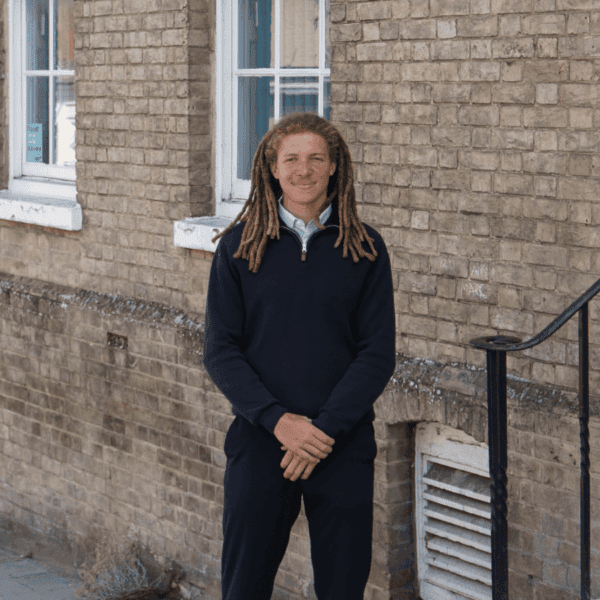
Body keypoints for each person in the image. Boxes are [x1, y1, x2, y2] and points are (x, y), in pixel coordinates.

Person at [203, 112, 396, 600]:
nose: (303, 170)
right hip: (260, 444)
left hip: (342, 445)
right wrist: (279, 422)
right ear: (273, 168)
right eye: (291, 159)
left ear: (333, 167)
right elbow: (220, 351)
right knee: (244, 588)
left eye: (315, 158)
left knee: (343, 590)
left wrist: (322, 431)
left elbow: (377, 354)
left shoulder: (366, 248)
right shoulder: (239, 247)